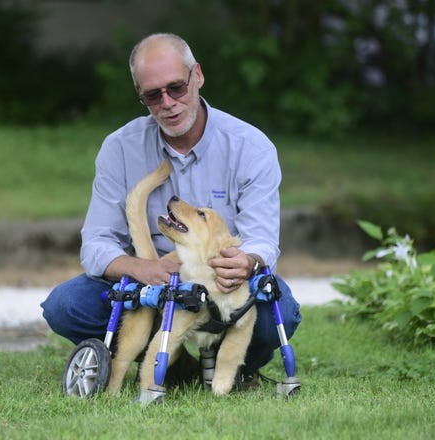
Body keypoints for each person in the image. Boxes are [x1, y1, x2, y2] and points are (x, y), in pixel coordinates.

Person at [41, 32, 301, 387]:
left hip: (219, 282)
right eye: (152, 95)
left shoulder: (250, 147)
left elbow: (262, 239)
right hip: (149, 288)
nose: (167, 102)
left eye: (176, 87)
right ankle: (174, 365)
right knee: (66, 305)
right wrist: (140, 267)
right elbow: (97, 242)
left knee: (281, 312)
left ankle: (233, 367)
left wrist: (247, 262)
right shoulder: (119, 148)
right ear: (141, 96)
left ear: (198, 76)